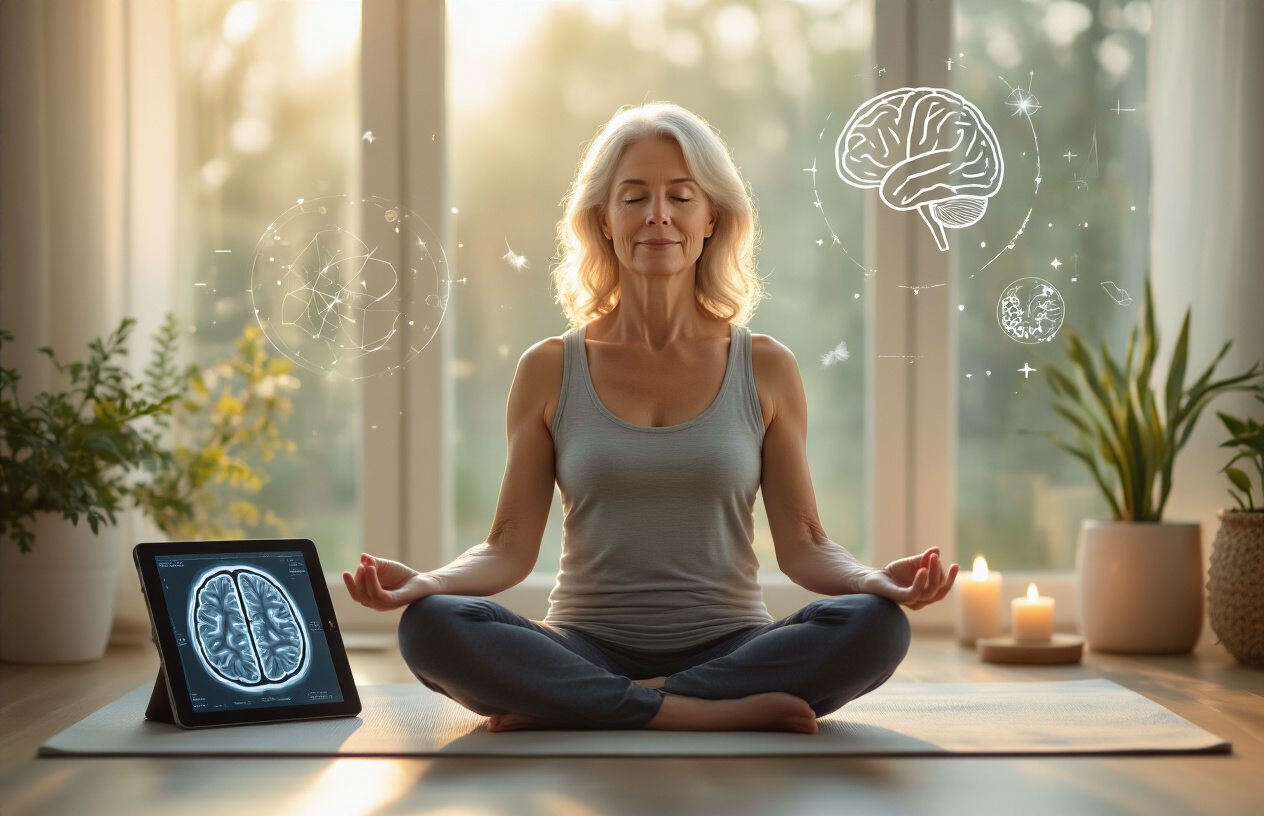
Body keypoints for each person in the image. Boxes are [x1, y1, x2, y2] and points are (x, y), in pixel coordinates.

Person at [343, 102, 958, 734]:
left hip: (734, 648)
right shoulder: (550, 368)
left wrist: (874, 579)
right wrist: (425, 582)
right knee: (433, 624)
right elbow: (507, 549)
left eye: (681, 196)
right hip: (584, 643)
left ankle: (592, 704)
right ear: (604, 221)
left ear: (712, 217)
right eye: (633, 197)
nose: (657, 215)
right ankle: (693, 713)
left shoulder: (766, 366)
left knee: (876, 624)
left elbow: (805, 546)